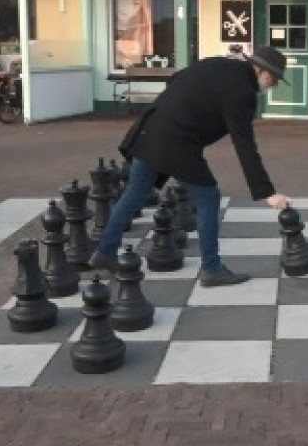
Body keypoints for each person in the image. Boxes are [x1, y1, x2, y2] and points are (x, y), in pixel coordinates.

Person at [89, 47, 292, 287]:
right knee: (208, 197)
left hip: (150, 129)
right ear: (259, 69)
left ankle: (105, 252)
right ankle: (211, 268)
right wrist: (267, 193)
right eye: (273, 78)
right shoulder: (242, 92)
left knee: (135, 191)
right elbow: (245, 146)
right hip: (177, 140)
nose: (273, 85)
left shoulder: (217, 64)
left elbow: (177, 79)